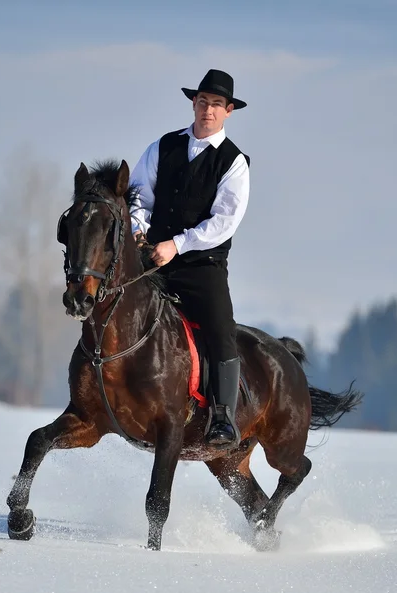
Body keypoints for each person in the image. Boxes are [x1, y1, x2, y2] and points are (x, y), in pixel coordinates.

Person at [129, 69, 250, 448]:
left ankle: (222, 418)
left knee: (220, 329)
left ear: (229, 110)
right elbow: (138, 196)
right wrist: (138, 229)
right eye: (202, 102)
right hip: (152, 256)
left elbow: (224, 222)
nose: (207, 110)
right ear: (193, 104)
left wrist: (176, 245)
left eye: (216, 104)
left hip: (202, 266)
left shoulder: (234, 162)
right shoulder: (161, 147)